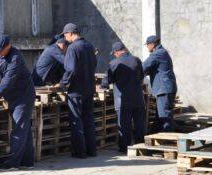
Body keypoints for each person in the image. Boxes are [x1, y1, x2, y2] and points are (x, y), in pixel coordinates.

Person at [0, 32, 35, 171]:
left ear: (8, 46)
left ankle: (12, 164)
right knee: (24, 130)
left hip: (23, 97)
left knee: (19, 130)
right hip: (12, 97)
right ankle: (27, 162)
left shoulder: (15, 58)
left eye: (1, 50)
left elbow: (7, 82)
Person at [56, 23, 97, 158]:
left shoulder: (73, 48)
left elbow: (70, 69)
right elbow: (94, 65)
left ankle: (80, 152)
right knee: (89, 120)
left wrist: (62, 84)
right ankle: (91, 150)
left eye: (65, 34)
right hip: (89, 89)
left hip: (76, 91)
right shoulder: (90, 46)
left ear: (71, 33)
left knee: (76, 121)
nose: (65, 37)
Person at [101, 42, 145, 153]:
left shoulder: (114, 63)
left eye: (114, 53)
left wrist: (103, 86)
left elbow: (107, 80)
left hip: (123, 100)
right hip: (138, 99)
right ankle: (140, 146)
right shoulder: (136, 60)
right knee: (139, 123)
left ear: (116, 52)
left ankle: (124, 148)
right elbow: (142, 76)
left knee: (124, 124)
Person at [143, 35, 177, 132]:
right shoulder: (162, 53)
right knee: (160, 116)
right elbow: (152, 69)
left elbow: (144, 66)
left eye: (147, 45)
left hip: (164, 89)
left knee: (164, 116)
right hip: (166, 88)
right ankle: (155, 134)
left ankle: (168, 138)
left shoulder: (158, 54)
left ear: (152, 45)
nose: (147, 47)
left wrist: (133, 72)